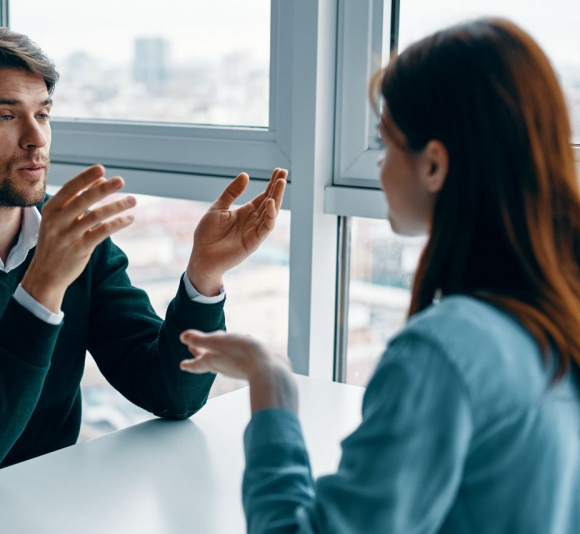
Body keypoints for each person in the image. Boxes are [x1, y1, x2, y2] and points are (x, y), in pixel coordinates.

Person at [0, 27, 287, 520]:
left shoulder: (72, 237)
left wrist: (204, 276)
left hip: (42, 506)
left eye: (43, 114)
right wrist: (43, 286)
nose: (36, 138)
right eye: (6, 116)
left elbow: (171, 394)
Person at [180, 18, 580, 533]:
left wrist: (269, 384)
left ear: (434, 165)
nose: (378, 167)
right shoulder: (556, 320)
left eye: (387, 144)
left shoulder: (445, 354)